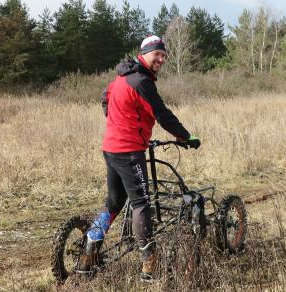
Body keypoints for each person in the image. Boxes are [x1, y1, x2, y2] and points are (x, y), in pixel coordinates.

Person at [78, 35, 201, 281]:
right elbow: (162, 114)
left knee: (114, 202)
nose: (161, 59)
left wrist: (120, 123)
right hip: (129, 152)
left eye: (164, 55)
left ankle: (88, 252)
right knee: (141, 203)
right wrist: (185, 137)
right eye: (157, 54)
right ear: (144, 53)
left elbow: (106, 98)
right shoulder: (141, 81)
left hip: (111, 148)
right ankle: (149, 266)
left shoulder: (121, 77)